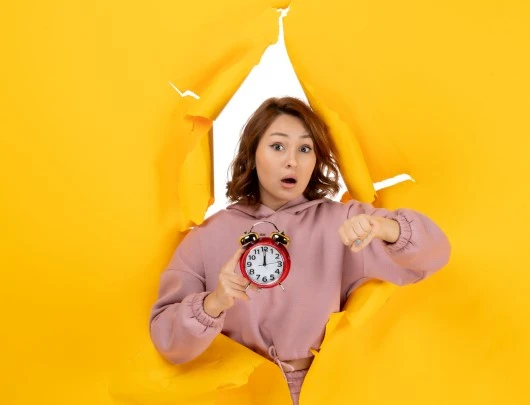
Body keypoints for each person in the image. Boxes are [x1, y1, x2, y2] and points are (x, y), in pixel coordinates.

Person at [149, 96, 451, 404]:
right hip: (241, 396)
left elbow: (435, 254)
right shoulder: (207, 236)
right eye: (278, 146)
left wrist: (386, 228)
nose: (292, 160)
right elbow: (167, 342)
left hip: (327, 390)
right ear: (252, 154)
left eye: (305, 148)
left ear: (316, 160)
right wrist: (214, 302)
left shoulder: (343, 223)